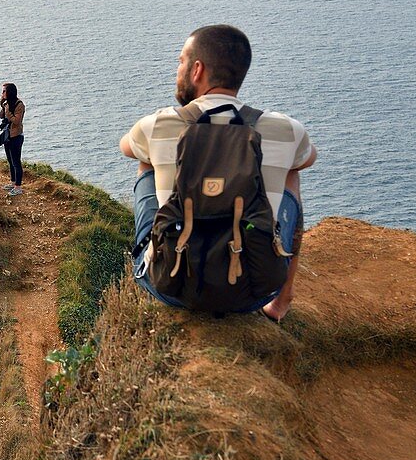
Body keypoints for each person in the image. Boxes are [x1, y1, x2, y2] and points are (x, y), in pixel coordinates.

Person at [119, 25, 317, 321]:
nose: (179, 68)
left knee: (146, 162)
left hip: (171, 288)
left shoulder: (158, 124)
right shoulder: (286, 129)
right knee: (290, 173)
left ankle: (159, 257)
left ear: (197, 70)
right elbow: (307, 159)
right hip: (254, 292)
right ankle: (283, 298)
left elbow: (126, 148)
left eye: (182, 61)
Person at [0, 83, 25, 196]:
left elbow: (16, 121)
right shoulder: (7, 104)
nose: (2, 93)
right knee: (10, 160)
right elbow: (1, 116)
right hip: (8, 135)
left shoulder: (19, 105)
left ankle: (18, 187)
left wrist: (7, 112)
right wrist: (3, 106)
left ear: (9, 92)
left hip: (16, 136)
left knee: (16, 162)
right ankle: (13, 182)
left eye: (4, 91)